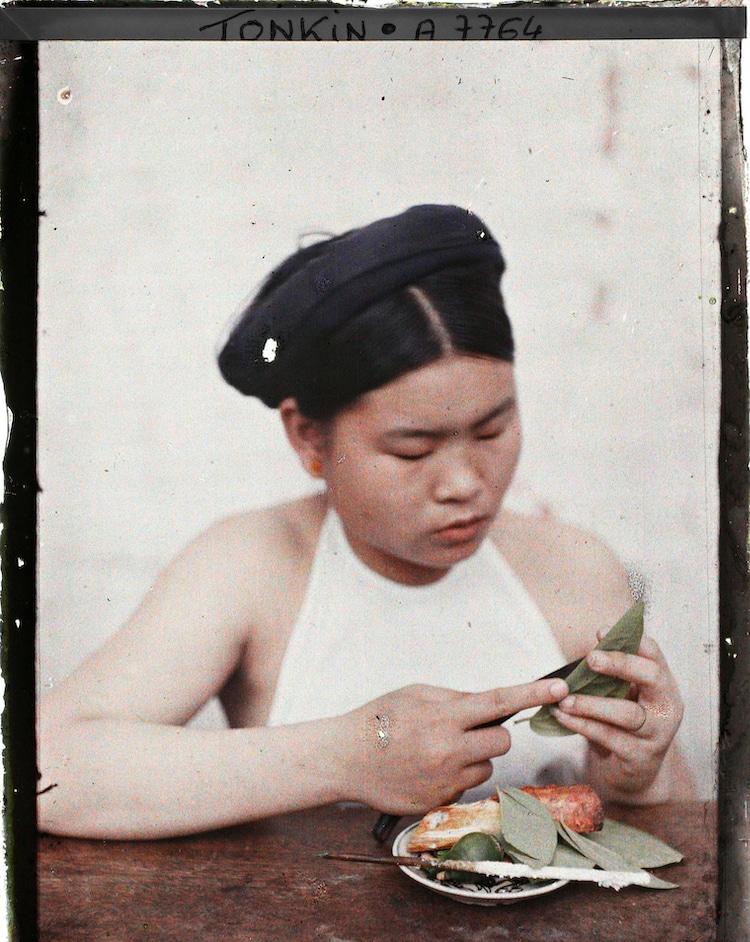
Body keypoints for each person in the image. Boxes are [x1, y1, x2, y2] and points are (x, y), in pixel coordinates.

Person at [37, 204, 695, 841]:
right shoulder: (251, 564)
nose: (467, 483)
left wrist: (635, 780)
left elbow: (676, 857)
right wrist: (348, 754)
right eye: (412, 448)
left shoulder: (574, 568)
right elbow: (46, 769)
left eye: (493, 428)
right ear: (308, 436)